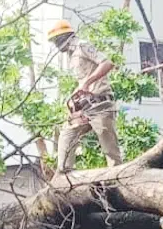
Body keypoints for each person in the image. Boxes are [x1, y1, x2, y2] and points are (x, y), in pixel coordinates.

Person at [46, 20, 122, 173]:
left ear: (63, 37)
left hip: (101, 105)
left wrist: (88, 82)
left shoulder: (82, 45)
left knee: (111, 152)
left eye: (55, 41)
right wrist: (74, 98)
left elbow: (107, 63)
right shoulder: (71, 55)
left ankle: (119, 183)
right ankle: (65, 178)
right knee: (67, 136)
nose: (55, 45)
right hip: (85, 108)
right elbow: (82, 81)